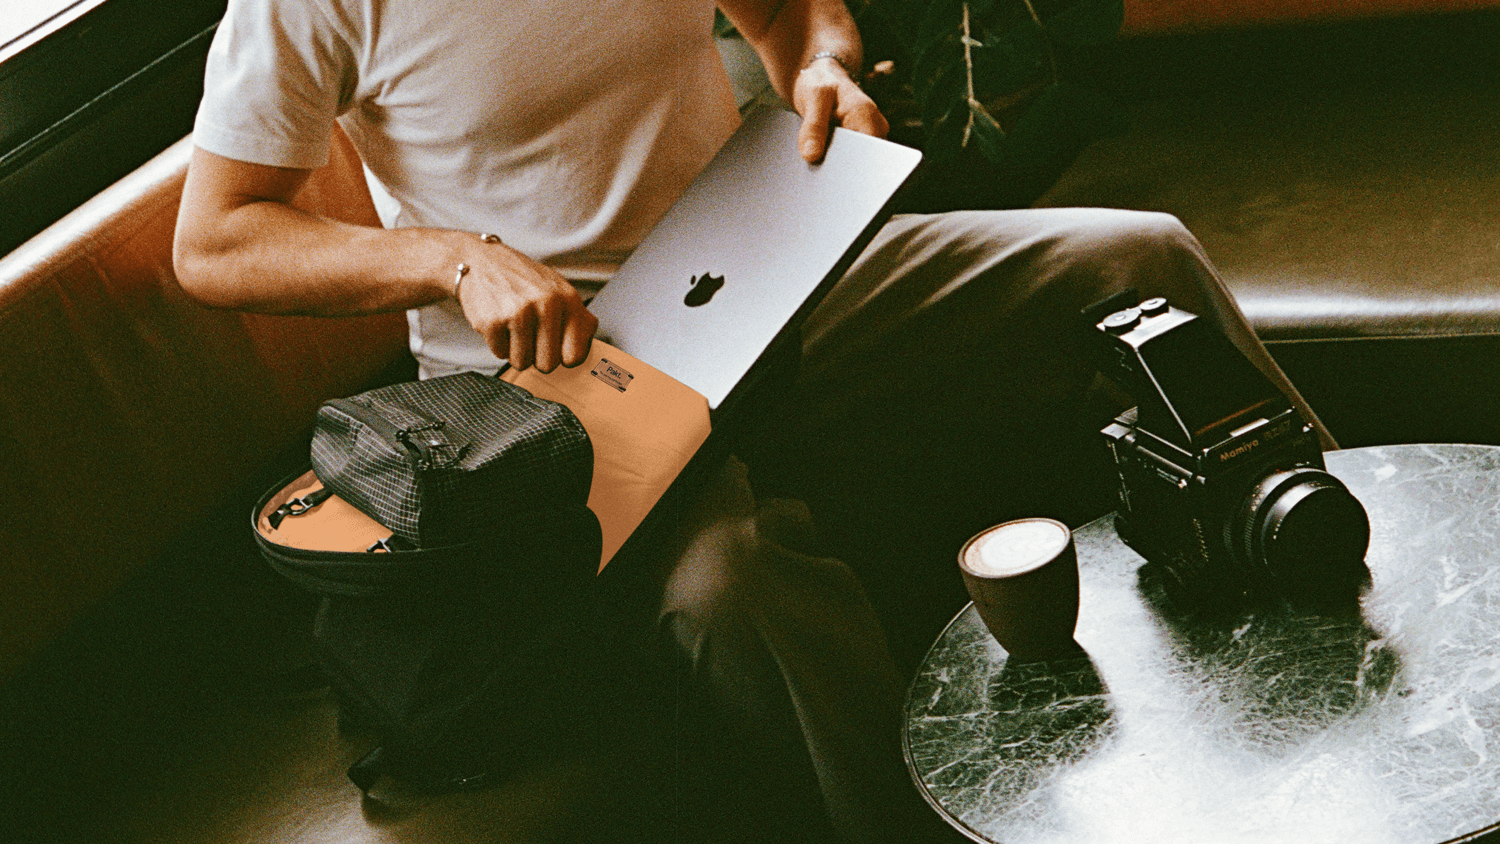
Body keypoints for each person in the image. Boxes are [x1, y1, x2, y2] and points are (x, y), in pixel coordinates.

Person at [173, 0, 1334, 840]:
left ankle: (1338, 542)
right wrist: (451, 259)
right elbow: (216, 239)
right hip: (563, 390)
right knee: (730, 588)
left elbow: (791, 16)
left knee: (1136, 256)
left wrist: (823, 70)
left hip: (762, 282)